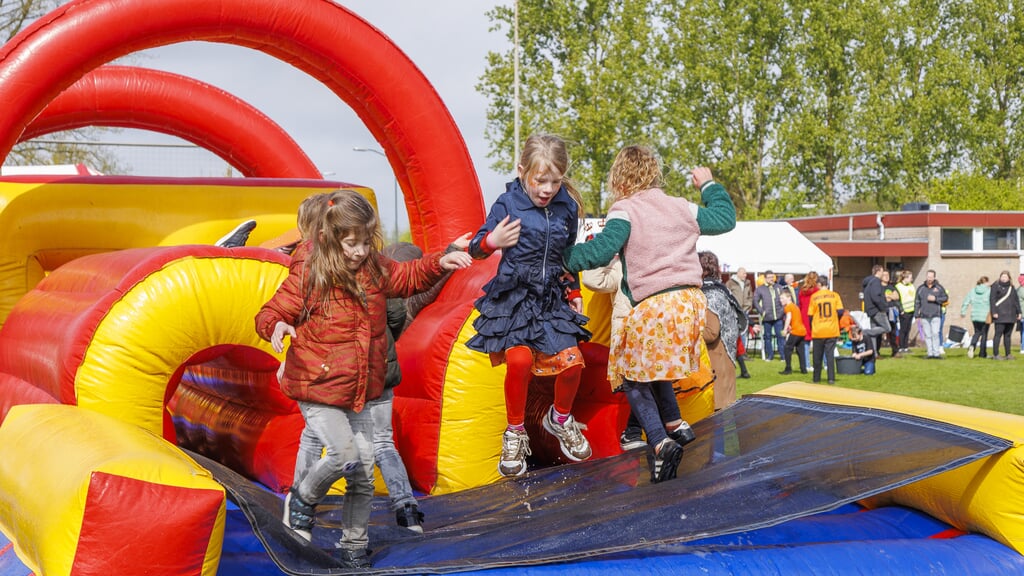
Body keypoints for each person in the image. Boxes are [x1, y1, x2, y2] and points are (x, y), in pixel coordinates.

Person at [255, 189, 472, 567]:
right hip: (317, 384)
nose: (358, 251)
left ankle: (354, 544)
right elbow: (272, 310)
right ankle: (304, 499)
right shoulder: (310, 269)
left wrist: (442, 261)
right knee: (345, 454)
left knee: (363, 473)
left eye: (364, 242)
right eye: (350, 243)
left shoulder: (372, 267)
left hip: (361, 387)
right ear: (328, 237)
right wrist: (276, 325)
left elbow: (408, 276)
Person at [563, 145, 736, 483]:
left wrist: (558, 255)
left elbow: (600, 251)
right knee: (651, 368)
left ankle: (658, 441)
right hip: (690, 304)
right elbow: (724, 219)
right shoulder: (681, 207)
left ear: (619, 178)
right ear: (656, 173)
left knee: (626, 371)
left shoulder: (624, 210)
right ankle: (674, 424)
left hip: (654, 304)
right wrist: (708, 184)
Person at [466, 134, 594, 478]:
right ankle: (515, 432)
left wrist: (573, 290)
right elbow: (476, 246)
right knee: (519, 360)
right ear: (523, 171)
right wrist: (493, 241)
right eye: (540, 180)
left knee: (573, 363)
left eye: (555, 180)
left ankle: (560, 419)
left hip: (550, 297)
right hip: (515, 297)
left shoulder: (567, 207)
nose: (547, 188)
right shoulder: (508, 203)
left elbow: (567, 256)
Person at [581, 257, 689, 450]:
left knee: (646, 379)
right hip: (634, 335)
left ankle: (649, 430)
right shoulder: (622, 267)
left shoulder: (657, 263)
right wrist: (607, 252)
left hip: (650, 333)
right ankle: (660, 426)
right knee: (643, 379)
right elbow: (593, 281)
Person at [698, 251, 747, 410]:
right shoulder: (721, 290)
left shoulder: (711, 294)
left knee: (717, 419)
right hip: (723, 361)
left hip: (716, 363)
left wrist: (685, 331)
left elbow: (711, 332)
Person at [808, 275, 844, 384]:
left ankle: (816, 378)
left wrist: (813, 325)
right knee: (829, 355)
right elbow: (840, 311)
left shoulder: (814, 297)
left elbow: (810, 315)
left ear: (819, 284)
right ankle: (831, 378)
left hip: (818, 329)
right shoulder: (835, 295)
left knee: (817, 356)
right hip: (831, 329)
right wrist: (834, 319)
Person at [727, 267, 753, 379]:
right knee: (737, 344)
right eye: (744, 273)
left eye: (746, 273)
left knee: (736, 343)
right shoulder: (730, 283)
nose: (745, 275)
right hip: (734, 312)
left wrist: (748, 306)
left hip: (741, 313)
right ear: (738, 273)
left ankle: (743, 371)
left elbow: (750, 296)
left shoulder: (747, 283)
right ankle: (743, 371)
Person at [915, 270, 948, 359]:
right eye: (928, 277)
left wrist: (935, 298)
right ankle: (930, 353)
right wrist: (916, 314)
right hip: (924, 315)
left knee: (935, 333)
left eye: (931, 277)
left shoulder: (939, 288)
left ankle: (936, 353)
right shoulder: (921, 288)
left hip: (936, 314)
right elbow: (917, 302)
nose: (929, 279)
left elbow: (945, 298)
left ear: (934, 277)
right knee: (927, 335)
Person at [989, 270, 1021, 360]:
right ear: (1000, 277)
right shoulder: (995, 286)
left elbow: (1016, 301)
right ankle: (996, 354)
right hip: (1000, 315)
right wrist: (994, 312)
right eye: (1002, 276)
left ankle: (1008, 354)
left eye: (1005, 277)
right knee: (998, 335)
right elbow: (992, 300)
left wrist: (1019, 312)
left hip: (1011, 315)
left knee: (1007, 335)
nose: (1004, 278)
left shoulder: (1012, 288)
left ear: (1009, 278)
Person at [754, 270, 785, 361]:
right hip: (767, 317)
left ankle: (782, 356)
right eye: (769, 277)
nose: (771, 279)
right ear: (765, 278)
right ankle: (770, 355)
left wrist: (782, 311)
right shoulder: (760, 289)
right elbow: (755, 301)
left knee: (780, 336)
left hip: (778, 316)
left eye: (773, 277)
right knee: (767, 337)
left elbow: (784, 299)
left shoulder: (779, 287)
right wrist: (762, 311)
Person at [861, 264, 891, 354]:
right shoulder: (876, 282)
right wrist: (883, 307)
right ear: (878, 272)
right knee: (887, 328)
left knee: (874, 332)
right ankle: (864, 332)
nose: (883, 274)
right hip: (877, 310)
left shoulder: (869, 282)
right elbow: (875, 297)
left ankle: (873, 353)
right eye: (882, 272)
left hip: (870, 310)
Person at [960, 275, 991, 359]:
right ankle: (982, 353)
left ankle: (972, 346)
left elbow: (966, 301)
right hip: (985, 316)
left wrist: (963, 312)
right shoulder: (989, 291)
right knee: (984, 334)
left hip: (975, 316)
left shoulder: (973, 290)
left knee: (977, 332)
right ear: (986, 282)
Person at [778, 290, 807, 375]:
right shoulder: (795, 306)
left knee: (787, 348)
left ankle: (788, 369)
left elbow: (789, 318)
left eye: (782, 298)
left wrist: (785, 329)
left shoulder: (788, 307)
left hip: (796, 331)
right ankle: (803, 369)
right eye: (780, 298)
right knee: (800, 350)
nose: (781, 300)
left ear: (789, 298)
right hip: (802, 331)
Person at [797, 271, 819, 369]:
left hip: (804, 317)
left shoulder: (802, 291)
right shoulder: (817, 291)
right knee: (818, 342)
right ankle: (820, 364)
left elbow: (800, 305)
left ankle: (806, 365)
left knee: (805, 342)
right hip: (814, 316)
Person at [881, 270, 902, 357]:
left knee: (893, 331)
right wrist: (890, 296)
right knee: (880, 331)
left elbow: (896, 297)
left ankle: (895, 351)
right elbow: (880, 298)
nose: (887, 276)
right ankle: (877, 351)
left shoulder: (892, 287)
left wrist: (888, 296)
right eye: (884, 275)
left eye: (888, 275)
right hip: (882, 311)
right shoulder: (878, 287)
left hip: (891, 312)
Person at [895, 270, 916, 352]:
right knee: (903, 329)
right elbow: (897, 300)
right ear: (905, 278)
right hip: (904, 311)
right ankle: (901, 346)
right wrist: (901, 309)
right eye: (910, 277)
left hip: (911, 310)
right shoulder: (898, 286)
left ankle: (905, 346)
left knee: (908, 329)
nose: (912, 279)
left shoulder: (911, 286)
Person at [1017, 274, 1024, 354]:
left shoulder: (1018, 289)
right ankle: (1023, 348)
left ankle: (1022, 346)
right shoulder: (1022, 290)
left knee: (1022, 331)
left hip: (1020, 314)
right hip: (1023, 313)